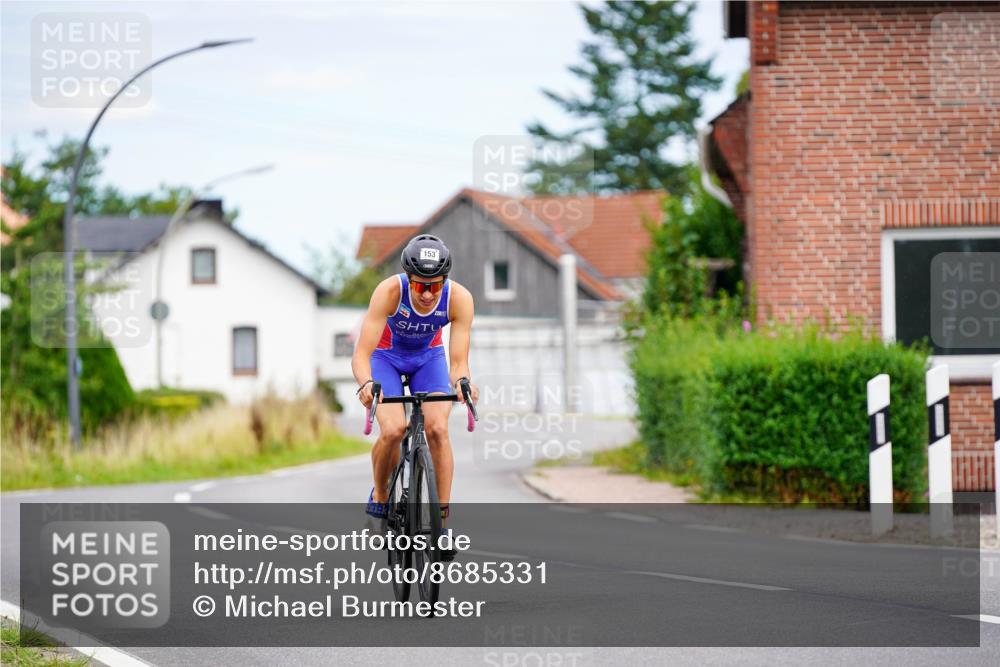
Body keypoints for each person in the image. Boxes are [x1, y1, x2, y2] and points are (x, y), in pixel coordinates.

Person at [353, 234, 478, 528]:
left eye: (435, 286)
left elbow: (459, 362)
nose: (427, 294)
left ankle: (441, 522)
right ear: (408, 279)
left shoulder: (459, 299)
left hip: (427, 359)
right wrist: (365, 383)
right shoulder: (389, 292)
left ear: (445, 280)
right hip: (386, 358)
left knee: (437, 429)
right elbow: (361, 355)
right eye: (420, 285)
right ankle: (382, 494)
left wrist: (463, 383)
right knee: (394, 429)